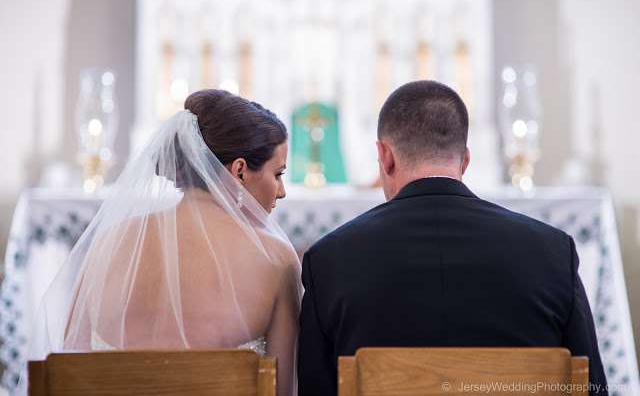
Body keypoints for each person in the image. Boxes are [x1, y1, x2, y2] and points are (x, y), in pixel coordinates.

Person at [297, 80, 607, 395]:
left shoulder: (329, 262)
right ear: (465, 160)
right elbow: (591, 386)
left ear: (385, 157)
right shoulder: (553, 253)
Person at [29, 90, 301, 396]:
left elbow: (70, 375)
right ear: (239, 170)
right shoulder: (275, 259)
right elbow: (283, 389)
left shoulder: (110, 243)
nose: (281, 191)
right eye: (277, 174)